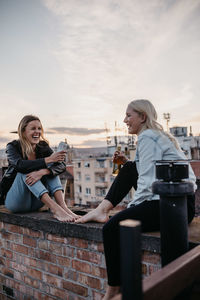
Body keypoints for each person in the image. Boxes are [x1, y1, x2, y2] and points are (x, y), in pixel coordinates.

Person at [76, 99, 196, 300]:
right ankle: (101, 209)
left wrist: (130, 211)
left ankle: (114, 288)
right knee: (129, 167)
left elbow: (147, 184)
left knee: (111, 228)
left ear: (143, 117)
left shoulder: (148, 136)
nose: (124, 120)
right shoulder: (153, 135)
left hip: (171, 205)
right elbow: (145, 173)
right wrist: (126, 165)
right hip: (180, 204)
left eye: (129, 115)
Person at [3, 115, 78, 222]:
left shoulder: (43, 146)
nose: (37, 132)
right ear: (23, 132)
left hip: (36, 201)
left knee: (50, 168)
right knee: (26, 171)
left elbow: (61, 165)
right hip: (16, 202)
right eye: (33, 128)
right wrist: (48, 160)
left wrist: (43, 171)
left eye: (39, 128)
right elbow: (20, 165)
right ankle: (55, 209)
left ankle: (63, 207)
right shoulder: (13, 146)